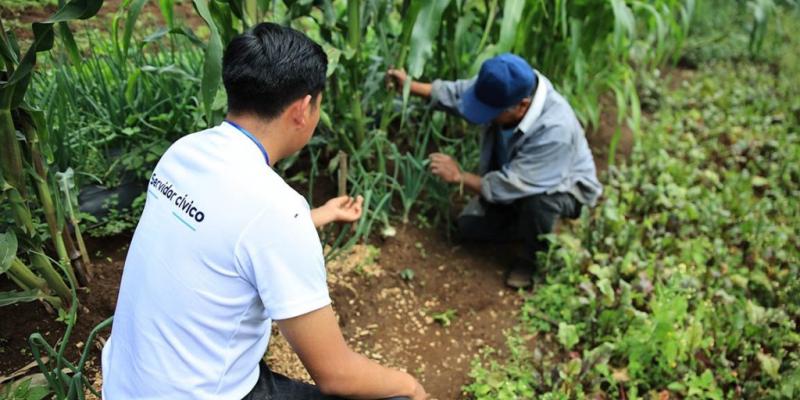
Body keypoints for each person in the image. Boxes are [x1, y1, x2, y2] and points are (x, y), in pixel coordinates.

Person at [102, 23, 427, 400]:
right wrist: (410, 385)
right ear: (302, 109)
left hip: (126, 386)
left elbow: (228, 233)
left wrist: (318, 216)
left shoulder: (184, 152)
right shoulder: (276, 210)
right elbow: (337, 375)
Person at [386, 53, 602, 289]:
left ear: (522, 106)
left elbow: (516, 183)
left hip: (560, 188)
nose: (484, 115)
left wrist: (459, 176)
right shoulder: (503, 86)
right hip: (516, 177)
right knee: (468, 227)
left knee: (540, 203)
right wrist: (409, 86)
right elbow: (458, 94)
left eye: (491, 112)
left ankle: (534, 258)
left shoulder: (555, 130)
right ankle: (525, 225)